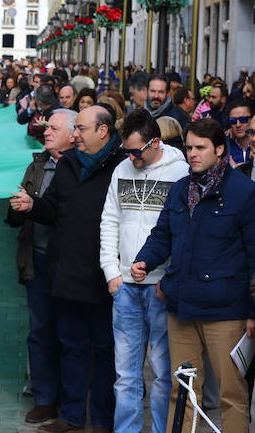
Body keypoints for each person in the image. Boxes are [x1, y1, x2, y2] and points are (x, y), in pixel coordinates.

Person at [133, 118, 255, 433]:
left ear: (219, 149)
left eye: (200, 148)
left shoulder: (244, 192)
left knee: (232, 393)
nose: (192, 154)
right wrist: (145, 260)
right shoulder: (181, 189)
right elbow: (162, 235)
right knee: (183, 390)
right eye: (188, 147)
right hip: (182, 306)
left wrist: (253, 312)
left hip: (226, 310)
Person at [9, 105, 125, 433]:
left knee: (104, 350)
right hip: (67, 271)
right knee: (71, 345)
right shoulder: (70, 164)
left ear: (103, 131)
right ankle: (73, 416)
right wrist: (33, 206)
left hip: (104, 274)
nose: (75, 135)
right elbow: (54, 210)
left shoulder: (121, 166)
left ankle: (102, 419)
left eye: (81, 129)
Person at [99, 109, 188, 433]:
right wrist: (112, 273)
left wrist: (169, 278)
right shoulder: (122, 169)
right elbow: (110, 220)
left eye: (137, 151)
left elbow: (183, 232)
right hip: (125, 287)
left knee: (164, 372)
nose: (132, 158)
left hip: (160, 287)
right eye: (127, 151)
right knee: (126, 374)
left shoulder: (180, 172)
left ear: (155, 142)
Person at [6, 109, 78, 425]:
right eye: (46, 127)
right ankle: (44, 398)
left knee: (71, 333)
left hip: (72, 264)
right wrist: (17, 209)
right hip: (38, 258)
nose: (45, 132)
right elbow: (15, 218)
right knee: (40, 331)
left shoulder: (82, 169)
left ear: (74, 134)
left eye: (53, 128)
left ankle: (71, 400)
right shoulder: (36, 166)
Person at [225, 100, 252, 167]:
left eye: (243, 119)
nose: (238, 124)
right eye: (233, 120)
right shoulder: (225, 148)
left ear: (252, 119)